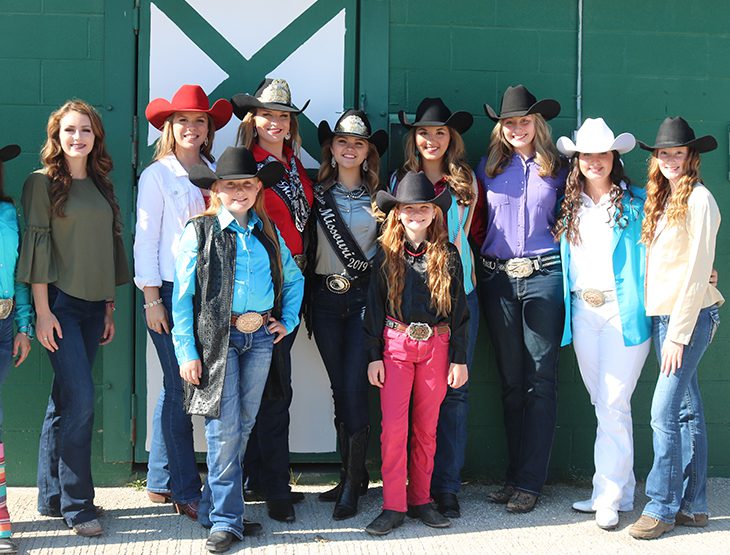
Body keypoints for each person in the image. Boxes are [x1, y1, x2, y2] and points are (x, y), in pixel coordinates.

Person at [172, 146, 304, 553]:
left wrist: (289, 319)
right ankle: (228, 521)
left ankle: (215, 510)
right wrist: (186, 352)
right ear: (217, 191)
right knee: (223, 428)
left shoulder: (266, 232)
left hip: (260, 337)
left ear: (257, 189)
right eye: (231, 186)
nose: (240, 192)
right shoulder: (200, 231)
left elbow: (295, 279)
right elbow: (182, 297)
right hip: (219, 339)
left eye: (247, 184)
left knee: (244, 424)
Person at [17, 100, 130, 537]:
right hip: (59, 305)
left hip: (91, 307)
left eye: (85, 129)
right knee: (81, 402)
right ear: (56, 137)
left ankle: (51, 496)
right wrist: (43, 313)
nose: (77, 137)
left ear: (96, 136)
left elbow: (104, 248)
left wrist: (107, 306)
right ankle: (79, 505)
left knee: (63, 401)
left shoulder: (101, 184)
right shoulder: (41, 184)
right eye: (69, 130)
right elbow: (38, 249)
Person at [135, 84, 233, 519]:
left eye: (199, 121)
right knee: (181, 388)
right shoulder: (157, 175)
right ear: (169, 128)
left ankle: (159, 478)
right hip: (172, 291)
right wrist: (151, 298)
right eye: (183, 121)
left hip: (207, 293)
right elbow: (145, 240)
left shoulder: (214, 171)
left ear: (209, 130)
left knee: (177, 386)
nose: (191, 128)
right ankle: (183, 488)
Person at [629, 117, 723, 540]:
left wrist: (680, 335)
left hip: (687, 319)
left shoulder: (700, 199)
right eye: (663, 153)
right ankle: (695, 505)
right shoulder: (663, 198)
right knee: (686, 409)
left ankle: (661, 508)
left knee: (661, 412)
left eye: (677, 153)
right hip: (664, 315)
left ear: (692, 156)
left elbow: (697, 270)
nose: (669, 159)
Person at [553, 118, 650, 530]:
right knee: (605, 403)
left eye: (602, 154)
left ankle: (606, 496)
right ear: (577, 161)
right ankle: (621, 489)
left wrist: (705, 272)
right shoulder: (568, 205)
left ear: (614, 158)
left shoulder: (636, 202)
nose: (594, 161)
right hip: (582, 311)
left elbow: (670, 244)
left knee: (612, 401)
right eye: (587, 154)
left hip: (623, 313)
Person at [476, 85, 567, 513]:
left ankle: (532, 481)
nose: (516, 128)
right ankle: (514, 477)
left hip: (544, 276)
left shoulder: (560, 169)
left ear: (538, 124)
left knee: (540, 380)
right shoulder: (488, 168)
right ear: (501, 127)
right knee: (512, 383)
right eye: (509, 122)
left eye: (523, 121)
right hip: (498, 279)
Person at [363, 172, 469, 536]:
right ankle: (393, 504)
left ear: (433, 212)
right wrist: (374, 354)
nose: (416, 214)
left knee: (426, 429)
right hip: (395, 345)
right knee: (393, 428)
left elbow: (460, 311)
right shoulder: (385, 253)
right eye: (409, 209)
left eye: (423, 208)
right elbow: (374, 308)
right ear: (398, 213)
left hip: (436, 346)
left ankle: (421, 499)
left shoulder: (448, 254)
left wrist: (459, 358)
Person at [231, 78, 312, 522]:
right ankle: (273, 486)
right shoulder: (250, 166)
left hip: (295, 276)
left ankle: (263, 476)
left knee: (274, 385)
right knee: (270, 389)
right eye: (267, 115)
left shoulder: (295, 164)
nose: (276, 122)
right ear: (253, 120)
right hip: (267, 280)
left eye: (283, 116)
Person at [394, 97, 478, 518]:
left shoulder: (466, 181)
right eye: (424, 132)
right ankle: (407, 489)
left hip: (457, 291)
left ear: (451, 138)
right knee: (407, 402)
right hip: (410, 302)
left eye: (440, 132)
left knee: (454, 394)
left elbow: (475, 233)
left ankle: (444, 486)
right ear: (414, 137)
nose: (431, 139)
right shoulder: (400, 180)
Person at [309, 110, 388, 520]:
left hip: (361, 301)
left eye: (358, 143)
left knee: (356, 389)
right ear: (332, 148)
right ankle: (350, 476)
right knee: (340, 388)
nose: (350, 148)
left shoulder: (381, 199)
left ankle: (355, 485)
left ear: (367, 151)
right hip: (323, 302)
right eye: (342, 142)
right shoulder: (315, 194)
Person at [0, 144, 33, 555]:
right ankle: (1, 519)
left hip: (5, 324)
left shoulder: (8, 214)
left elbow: (19, 273)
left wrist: (24, 325)